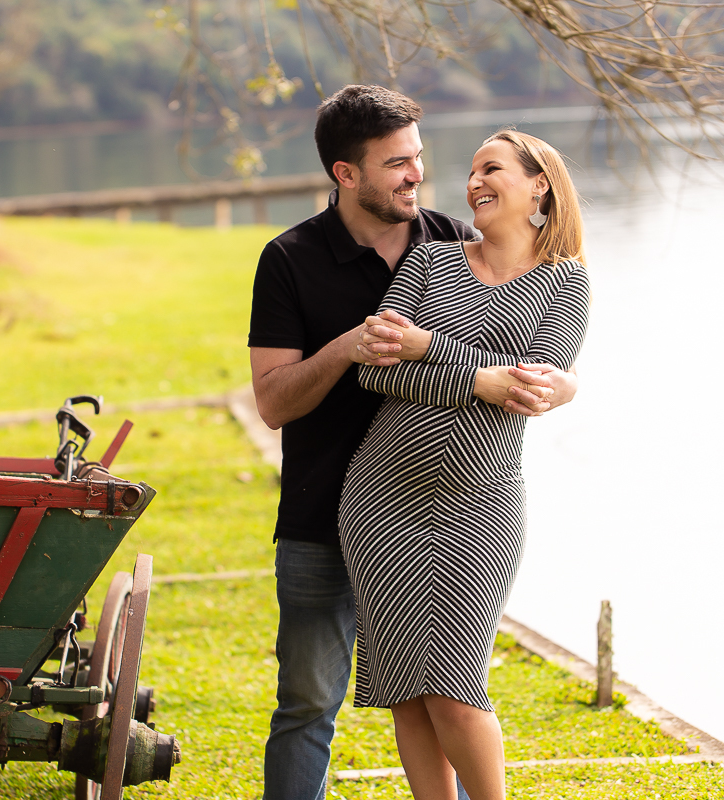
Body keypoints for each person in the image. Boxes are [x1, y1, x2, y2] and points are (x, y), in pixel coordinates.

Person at [247, 85, 579, 800]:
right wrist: (356, 349)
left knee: (448, 684)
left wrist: (555, 383)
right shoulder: (289, 259)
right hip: (331, 508)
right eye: (397, 162)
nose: (418, 174)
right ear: (347, 173)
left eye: (419, 158)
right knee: (314, 701)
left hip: (463, 504)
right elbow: (277, 401)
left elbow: (533, 362)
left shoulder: (447, 241)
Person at [337, 129, 592, 800]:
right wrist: (479, 379)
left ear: (539, 184)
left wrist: (428, 347)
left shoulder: (565, 282)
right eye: (472, 169)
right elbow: (376, 372)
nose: (474, 180)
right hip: (380, 499)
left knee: (452, 686)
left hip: (481, 507)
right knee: (406, 690)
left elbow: (532, 389)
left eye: (493, 168)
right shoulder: (430, 262)